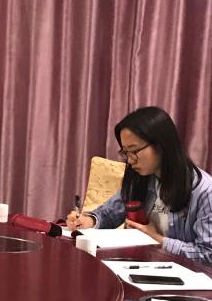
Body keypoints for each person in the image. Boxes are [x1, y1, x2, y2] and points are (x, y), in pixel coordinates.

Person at [66, 106, 212, 264]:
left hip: (181, 275)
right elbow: (109, 213)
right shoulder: (141, 178)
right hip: (139, 265)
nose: (130, 160)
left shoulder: (204, 191)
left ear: (162, 145)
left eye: (134, 151)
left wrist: (157, 240)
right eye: (125, 152)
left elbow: (208, 254)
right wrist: (89, 221)